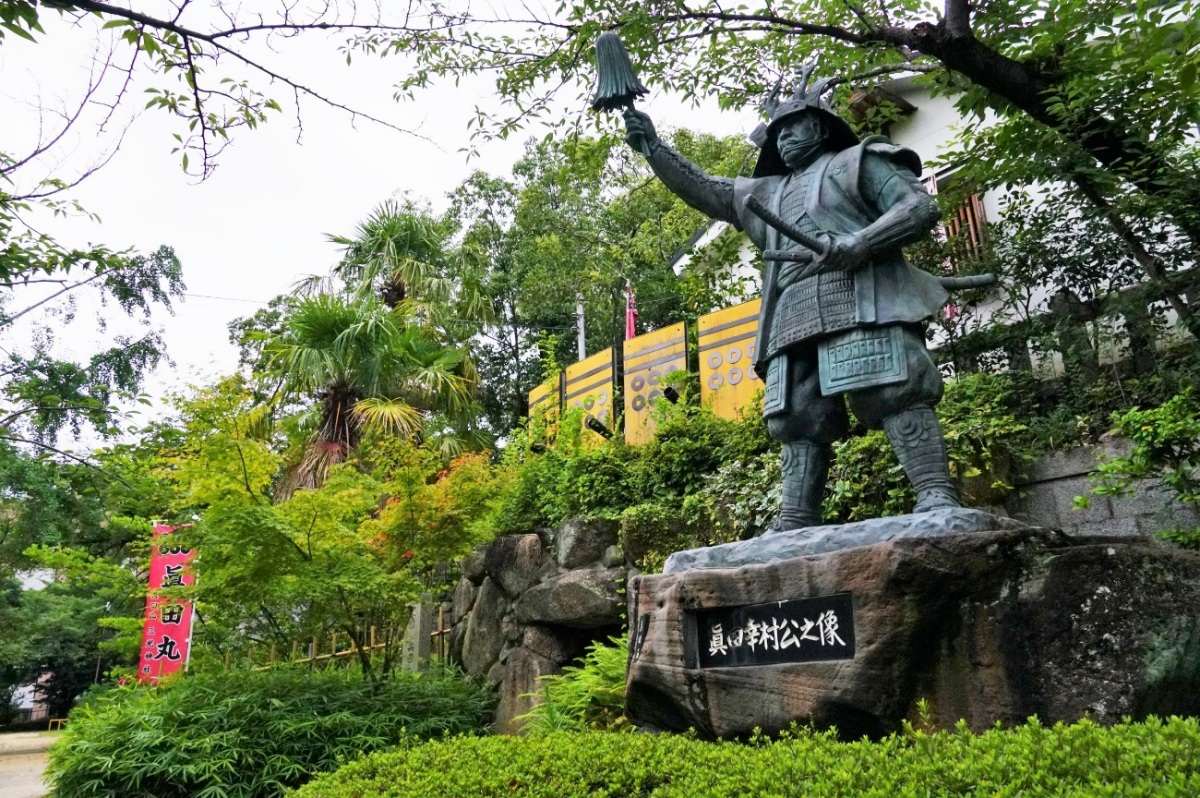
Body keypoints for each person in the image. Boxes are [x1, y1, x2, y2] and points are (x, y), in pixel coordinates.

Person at [623, 68, 961, 531]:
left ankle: (935, 492)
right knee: (796, 417)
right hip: (792, 311)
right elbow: (708, 189)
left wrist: (861, 242)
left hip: (861, 295)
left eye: (792, 127)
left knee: (894, 388)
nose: (782, 139)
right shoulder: (768, 191)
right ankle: (796, 516)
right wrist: (654, 148)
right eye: (776, 132)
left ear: (819, 126)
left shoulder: (860, 161)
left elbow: (918, 207)